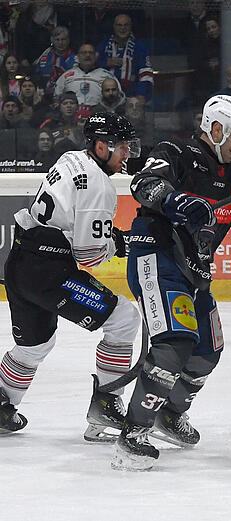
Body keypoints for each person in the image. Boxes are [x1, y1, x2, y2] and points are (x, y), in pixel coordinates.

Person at [113, 94, 231, 470]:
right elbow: (144, 183)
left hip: (195, 271)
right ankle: (133, 435)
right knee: (174, 344)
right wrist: (179, 202)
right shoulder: (176, 151)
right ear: (215, 128)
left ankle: (168, 415)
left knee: (206, 353)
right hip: (158, 256)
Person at [0, 112, 142, 438]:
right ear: (102, 146)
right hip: (50, 272)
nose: (128, 154)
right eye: (122, 147)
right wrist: (119, 244)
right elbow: (89, 255)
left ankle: (1, 400)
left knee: (34, 347)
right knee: (124, 319)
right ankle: (106, 404)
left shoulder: (71, 158)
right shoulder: (99, 185)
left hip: (21, 262)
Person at [96, 13, 153, 102]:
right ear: (114, 27)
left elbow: (145, 74)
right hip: (105, 97)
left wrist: (141, 95)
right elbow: (92, 68)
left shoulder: (140, 47)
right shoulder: (103, 45)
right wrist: (106, 63)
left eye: (126, 25)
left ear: (131, 27)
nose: (122, 28)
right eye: (119, 25)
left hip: (131, 96)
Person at [55, 43, 119, 114]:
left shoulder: (107, 76)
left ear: (95, 56)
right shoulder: (66, 76)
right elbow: (56, 98)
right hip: (72, 118)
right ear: (78, 56)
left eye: (91, 53)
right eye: (84, 53)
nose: (87, 55)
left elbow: (118, 99)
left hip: (98, 116)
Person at [34, 26, 75, 100]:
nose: (60, 43)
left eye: (63, 39)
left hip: (68, 97)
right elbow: (37, 76)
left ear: (68, 40)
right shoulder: (44, 56)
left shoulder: (75, 59)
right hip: (46, 97)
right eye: (57, 40)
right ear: (52, 40)